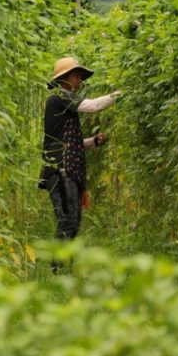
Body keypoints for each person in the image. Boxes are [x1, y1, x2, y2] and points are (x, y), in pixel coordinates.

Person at [38, 57, 122, 245]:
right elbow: (92, 106)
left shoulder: (64, 102)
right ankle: (58, 269)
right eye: (77, 76)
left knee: (73, 221)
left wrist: (93, 142)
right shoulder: (59, 96)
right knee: (67, 220)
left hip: (67, 169)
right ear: (65, 78)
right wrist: (118, 95)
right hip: (60, 168)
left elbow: (70, 141)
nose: (80, 81)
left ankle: (64, 267)